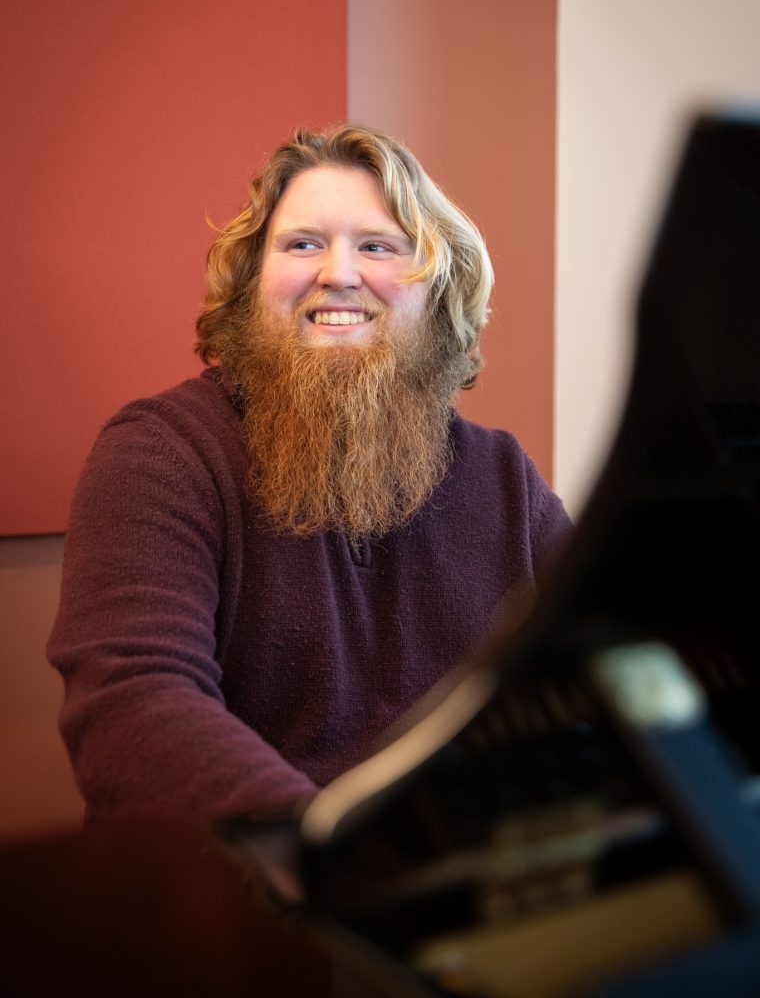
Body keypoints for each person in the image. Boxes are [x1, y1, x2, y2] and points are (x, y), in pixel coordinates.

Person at [48, 124, 572, 827]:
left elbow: (614, 676)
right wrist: (335, 861)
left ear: (438, 291)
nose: (339, 273)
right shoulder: (159, 453)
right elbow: (132, 707)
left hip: (462, 894)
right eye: (302, 243)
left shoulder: (507, 481)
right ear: (250, 284)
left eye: (378, 246)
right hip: (244, 901)